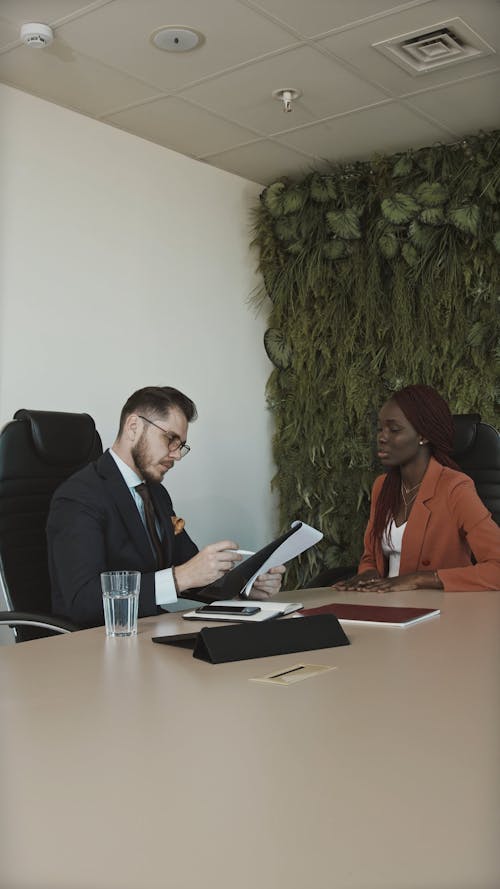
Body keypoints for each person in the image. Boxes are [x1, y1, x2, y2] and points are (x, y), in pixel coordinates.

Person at [48, 386, 285, 627]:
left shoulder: (156, 494)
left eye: (180, 445)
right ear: (133, 427)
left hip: (147, 634)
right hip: (96, 643)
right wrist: (178, 578)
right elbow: (82, 602)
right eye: (170, 439)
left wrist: (245, 588)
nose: (177, 455)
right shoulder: (78, 497)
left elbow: (193, 571)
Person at [334, 384, 500, 592]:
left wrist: (421, 579)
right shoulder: (382, 486)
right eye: (380, 429)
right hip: (382, 603)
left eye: (394, 430)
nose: (382, 437)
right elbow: (370, 557)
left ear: (423, 436)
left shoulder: (456, 488)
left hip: (436, 612)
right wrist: (368, 573)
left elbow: (497, 568)